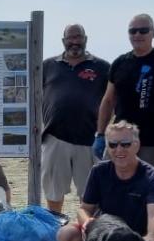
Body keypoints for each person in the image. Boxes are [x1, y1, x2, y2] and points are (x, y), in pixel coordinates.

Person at [96, 13, 154, 172]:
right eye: (132, 31)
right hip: (121, 140)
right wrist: (100, 134)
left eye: (143, 30)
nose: (137, 35)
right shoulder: (119, 63)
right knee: (112, 182)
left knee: (146, 184)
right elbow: (108, 100)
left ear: (153, 33)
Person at [41, 23, 109, 213]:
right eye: (70, 38)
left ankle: (87, 231)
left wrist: (103, 132)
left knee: (90, 196)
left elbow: (111, 100)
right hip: (55, 137)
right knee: (53, 193)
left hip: (90, 140)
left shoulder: (102, 67)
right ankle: (55, 229)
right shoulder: (47, 66)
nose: (74, 41)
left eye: (78, 37)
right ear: (63, 41)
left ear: (85, 39)